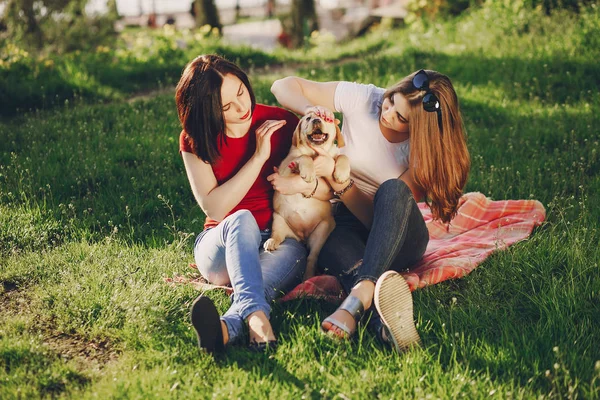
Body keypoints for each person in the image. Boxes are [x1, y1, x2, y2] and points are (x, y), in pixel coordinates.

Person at [270, 70, 470, 351]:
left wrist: (341, 184)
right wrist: (311, 110)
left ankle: (362, 290)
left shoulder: (421, 152)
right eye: (391, 101)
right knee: (329, 241)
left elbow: (381, 219)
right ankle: (376, 317)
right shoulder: (365, 99)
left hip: (398, 233)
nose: (387, 114)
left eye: (401, 118)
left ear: (421, 128)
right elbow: (281, 85)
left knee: (393, 189)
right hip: (346, 224)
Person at [176, 55, 323, 354]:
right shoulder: (196, 139)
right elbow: (215, 209)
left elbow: (318, 180)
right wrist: (258, 158)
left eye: (241, 93)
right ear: (207, 112)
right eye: (226, 107)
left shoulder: (282, 123)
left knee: (261, 282)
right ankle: (256, 316)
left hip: (279, 238)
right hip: (222, 243)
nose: (242, 109)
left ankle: (230, 327)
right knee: (241, 218)